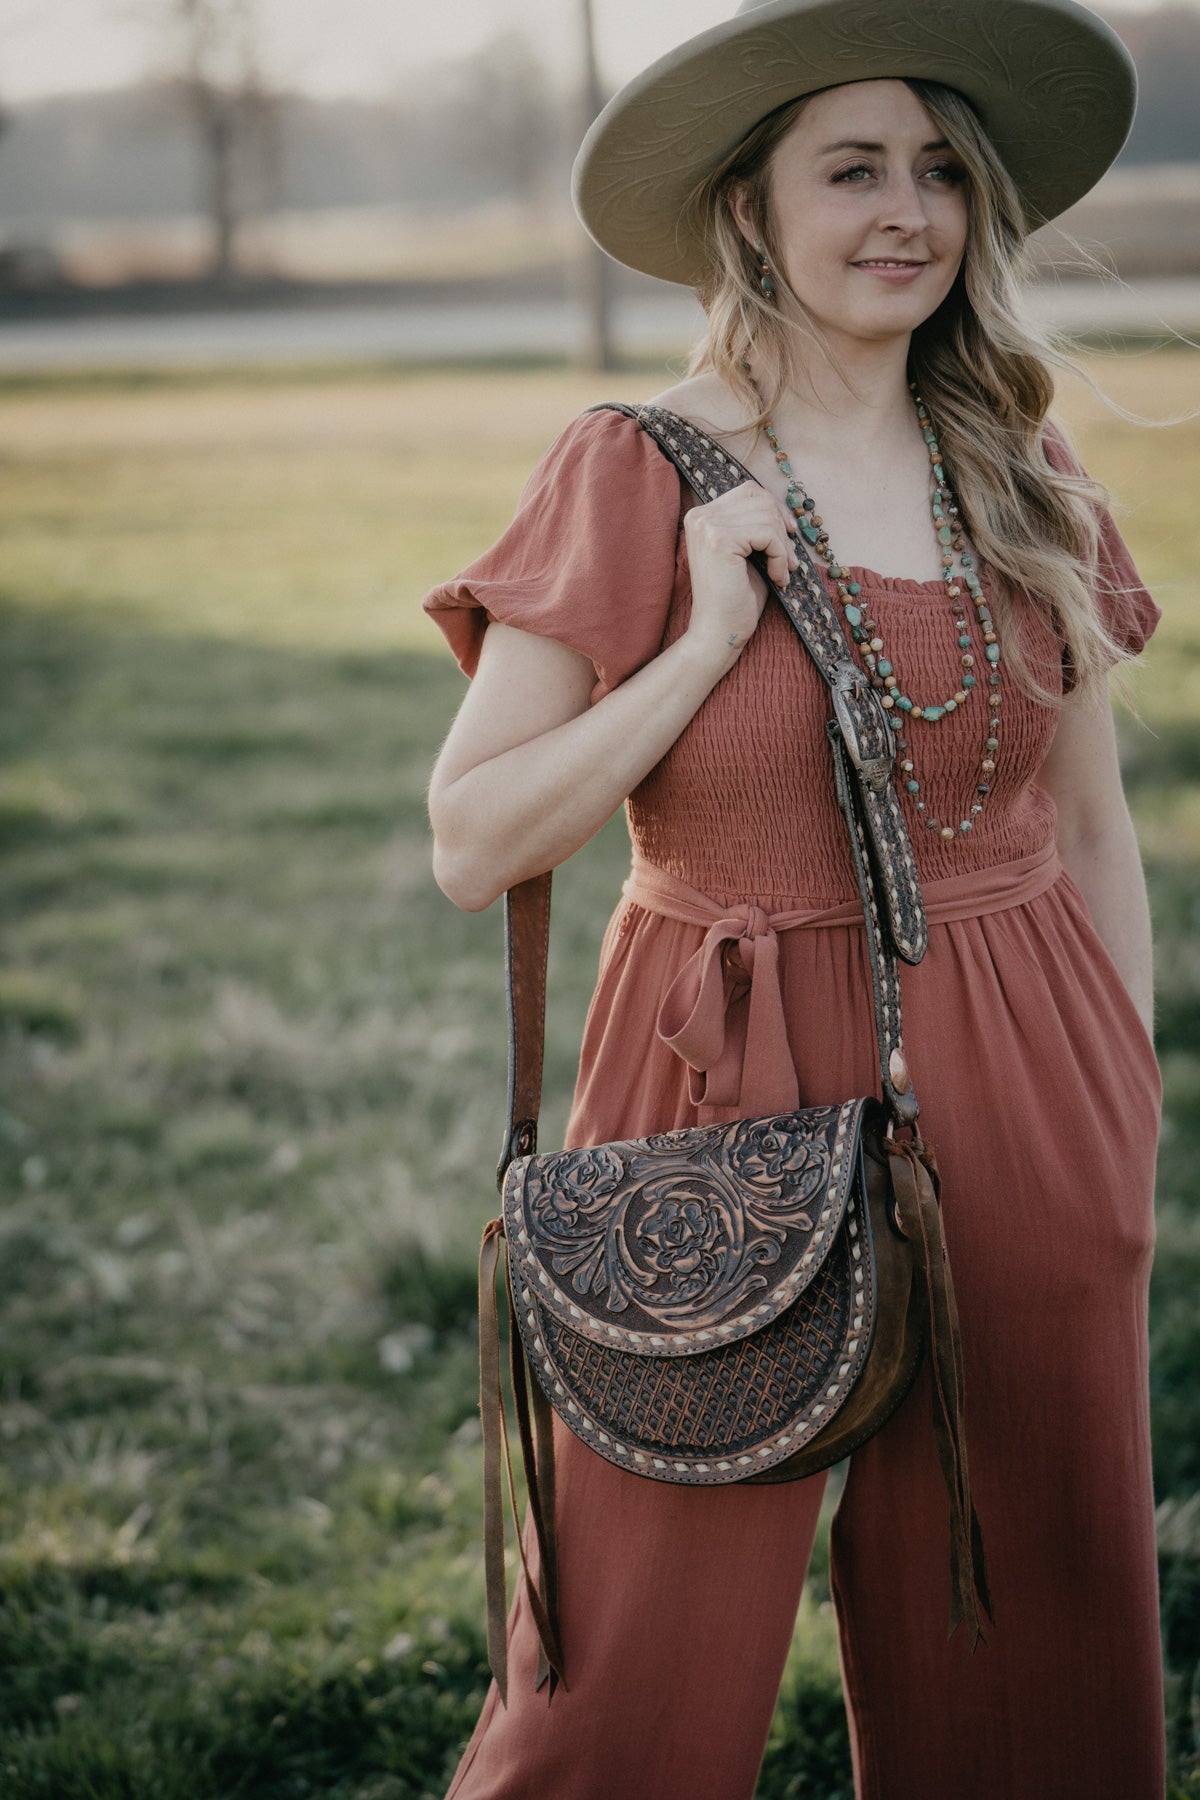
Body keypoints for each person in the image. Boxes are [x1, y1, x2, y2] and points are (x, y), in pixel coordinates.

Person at [423, 0, 1164, 1793]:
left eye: (940, 171)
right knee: (625, 1652)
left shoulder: (1022, 468)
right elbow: (471, 838)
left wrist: (1119, 1103)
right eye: (852, 170)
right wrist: (699, 643)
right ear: (749, 208)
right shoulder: (632, 464)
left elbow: (1090, 822)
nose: (906, 211)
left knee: (1031, 1618)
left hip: (1029, 1063)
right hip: (718, 1077)